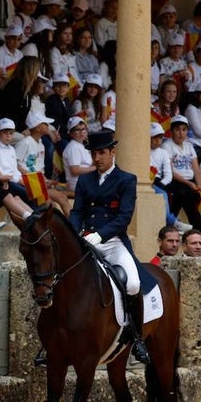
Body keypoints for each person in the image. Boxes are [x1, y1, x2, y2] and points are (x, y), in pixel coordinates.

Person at [68, 130, 150, 364]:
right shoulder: (85, 180)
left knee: (133, 284)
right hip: (86, 241)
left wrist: (100, 236)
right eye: (93, 153)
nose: (97, 158)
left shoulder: (127, 180)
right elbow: (77, 212)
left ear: (112, 152)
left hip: (112, 243)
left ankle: (137, 338)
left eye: (101, 153)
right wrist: (76, 234)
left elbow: (124, 217)